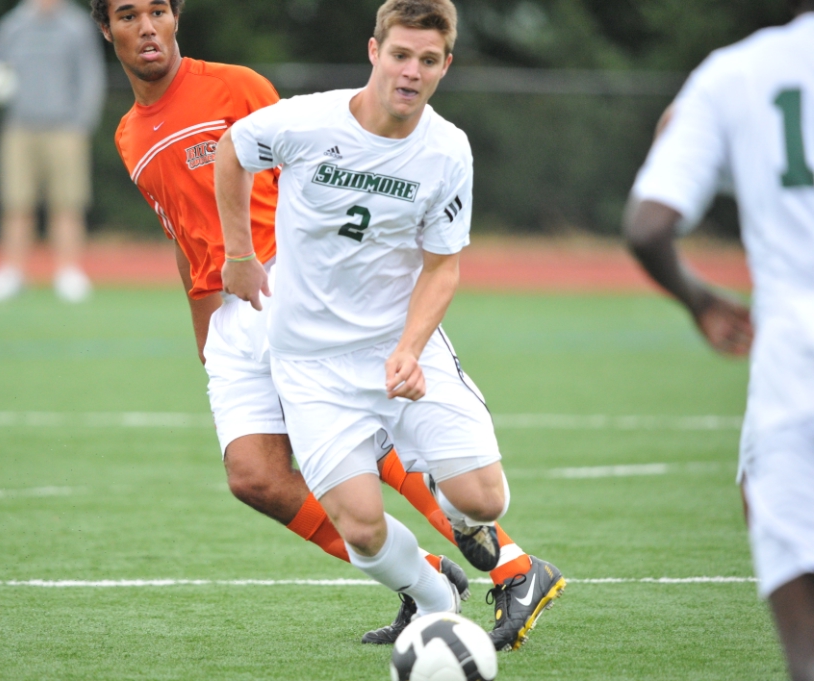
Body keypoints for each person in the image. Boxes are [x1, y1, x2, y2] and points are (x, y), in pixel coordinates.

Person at [94, 0, 556, 649]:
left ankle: (510, 563)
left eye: (156, 12)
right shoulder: (127, 134)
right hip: (230, 308)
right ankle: (431, 586)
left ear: (176, 19)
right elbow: (183, 231)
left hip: (295, 284)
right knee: (254, 475)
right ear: (106, 29)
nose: (145, 27)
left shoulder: (237, 87)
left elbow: (317, 181)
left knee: (365, 431)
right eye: (126, 15)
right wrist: (204, 321)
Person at [623, 3, 814, 679]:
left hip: (798, 347)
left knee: (773, 506)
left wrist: (699, 298)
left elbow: (648, 225)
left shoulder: (740, 73)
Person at [0, 0, 106, 303]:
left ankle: (68, 272)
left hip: (66, 129)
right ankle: (12, 272)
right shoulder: (13, 25)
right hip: (19, 128)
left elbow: (90, 76)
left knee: (68, 203)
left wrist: (83, 123)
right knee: (15, 203)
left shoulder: (76, 26)